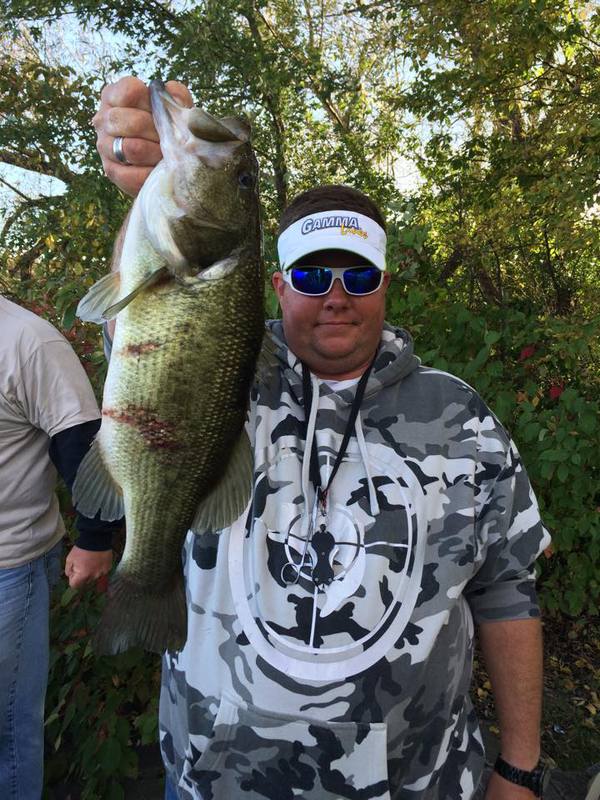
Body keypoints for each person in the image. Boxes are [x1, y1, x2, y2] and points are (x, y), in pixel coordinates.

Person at [92, 77, 552, 800]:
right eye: (312, 273)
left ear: (386, 284)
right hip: (216, 783)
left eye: (357, 273)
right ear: (277, 285)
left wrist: (519, 768)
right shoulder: (227, 376)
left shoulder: (462, 417)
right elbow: (142, 333)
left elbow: (507, 594)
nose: (336, 294)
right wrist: (145, 186)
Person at [0, 297, 120, 799]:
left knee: (7, 730)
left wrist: (94, 538)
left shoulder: (27, 341)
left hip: (9, 565)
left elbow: (81, 442)